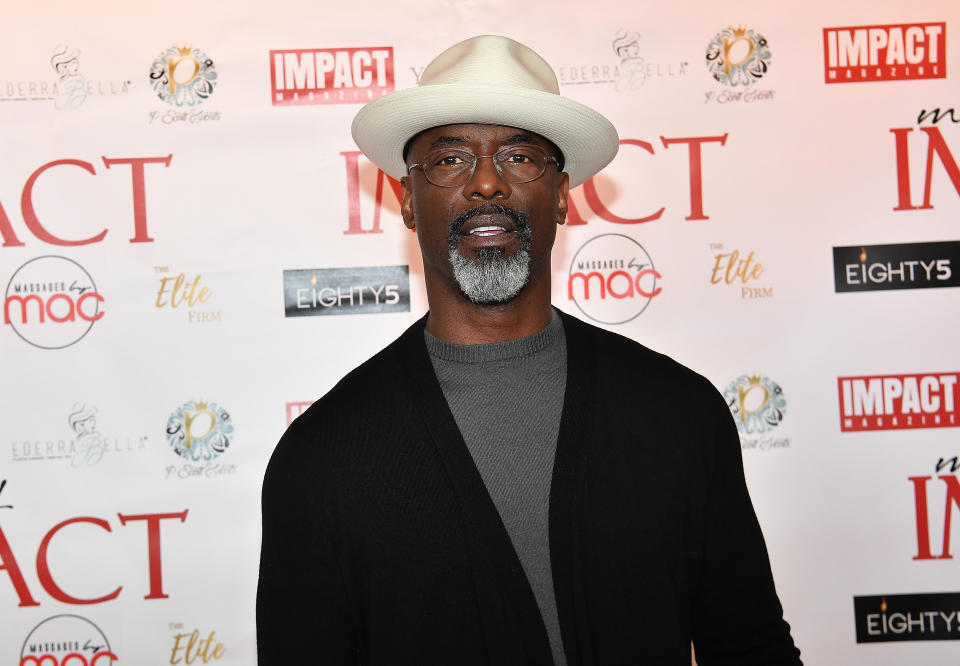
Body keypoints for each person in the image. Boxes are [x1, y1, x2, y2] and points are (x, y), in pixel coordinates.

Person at [257, 35, 802, 665]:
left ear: (565, 194)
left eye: (519, 156)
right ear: (406, 198)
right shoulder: (324, 457)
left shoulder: (677, 413)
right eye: (448, 159)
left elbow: (750, 647)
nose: (486, 182)